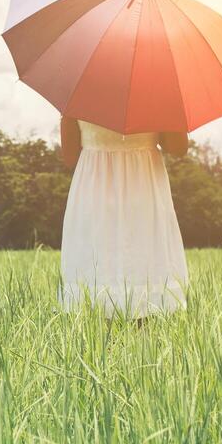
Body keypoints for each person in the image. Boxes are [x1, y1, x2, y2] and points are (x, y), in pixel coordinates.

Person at [58, 115, 190, 318]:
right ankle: (146, 329)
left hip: (94, 185)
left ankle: (98, 328)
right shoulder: (157, 91)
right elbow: (178, 148)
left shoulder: (77, 94)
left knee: (96, 256)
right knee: (144, 255)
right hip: (144, 185)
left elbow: (69, 156)